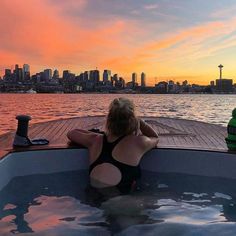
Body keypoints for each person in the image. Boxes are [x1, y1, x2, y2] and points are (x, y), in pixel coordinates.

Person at [67, 97, 158, 194]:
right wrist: (140, 122)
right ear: (133, 121)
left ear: (109, 120)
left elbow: (71, 133)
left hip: (92, 197)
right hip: (120, 202)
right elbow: (154, 137)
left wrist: (97, 135)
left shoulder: (94, 140)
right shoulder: (139, 142)